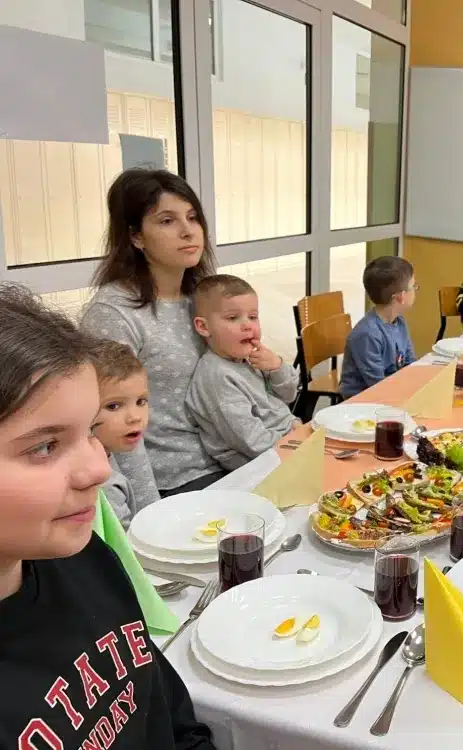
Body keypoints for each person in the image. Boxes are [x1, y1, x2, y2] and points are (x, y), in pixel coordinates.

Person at [0, 284, 216, 749]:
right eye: (45, 446)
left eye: (90, 432)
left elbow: (174, 720)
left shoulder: (86, 558)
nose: (99, 469)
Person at [80, 168, 225, 498]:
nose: (188, 231)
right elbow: (115, 429)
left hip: (229, 455)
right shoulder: (113, 313)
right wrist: (149, 511)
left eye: (192, 217)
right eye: (167, 221)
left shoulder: (202, 297)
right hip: (173, 480)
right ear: (136, 237)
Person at [185, 275, 300, 471]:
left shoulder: (251, 358)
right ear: (203, 327)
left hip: (287, 440)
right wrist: (296, 440)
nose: (248, 325)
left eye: (253, 317)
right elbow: (253, 443)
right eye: (232, 318)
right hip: (261, 463)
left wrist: (277, 367)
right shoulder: (217, 377)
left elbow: (289, 395)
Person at [90, 340, 152, 526]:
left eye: (141, 402)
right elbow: (122, 541)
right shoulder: (101, 485)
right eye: (113, 406)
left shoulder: (105, 453)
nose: (135, 417)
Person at [339, 256, 418, 400]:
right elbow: (378, 386)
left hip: (390, 393)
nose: (415, 290)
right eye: (413, 287)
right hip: (363, 402)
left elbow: (409, 364)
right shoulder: (367, 334)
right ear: (400, 297)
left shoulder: (399, 322)